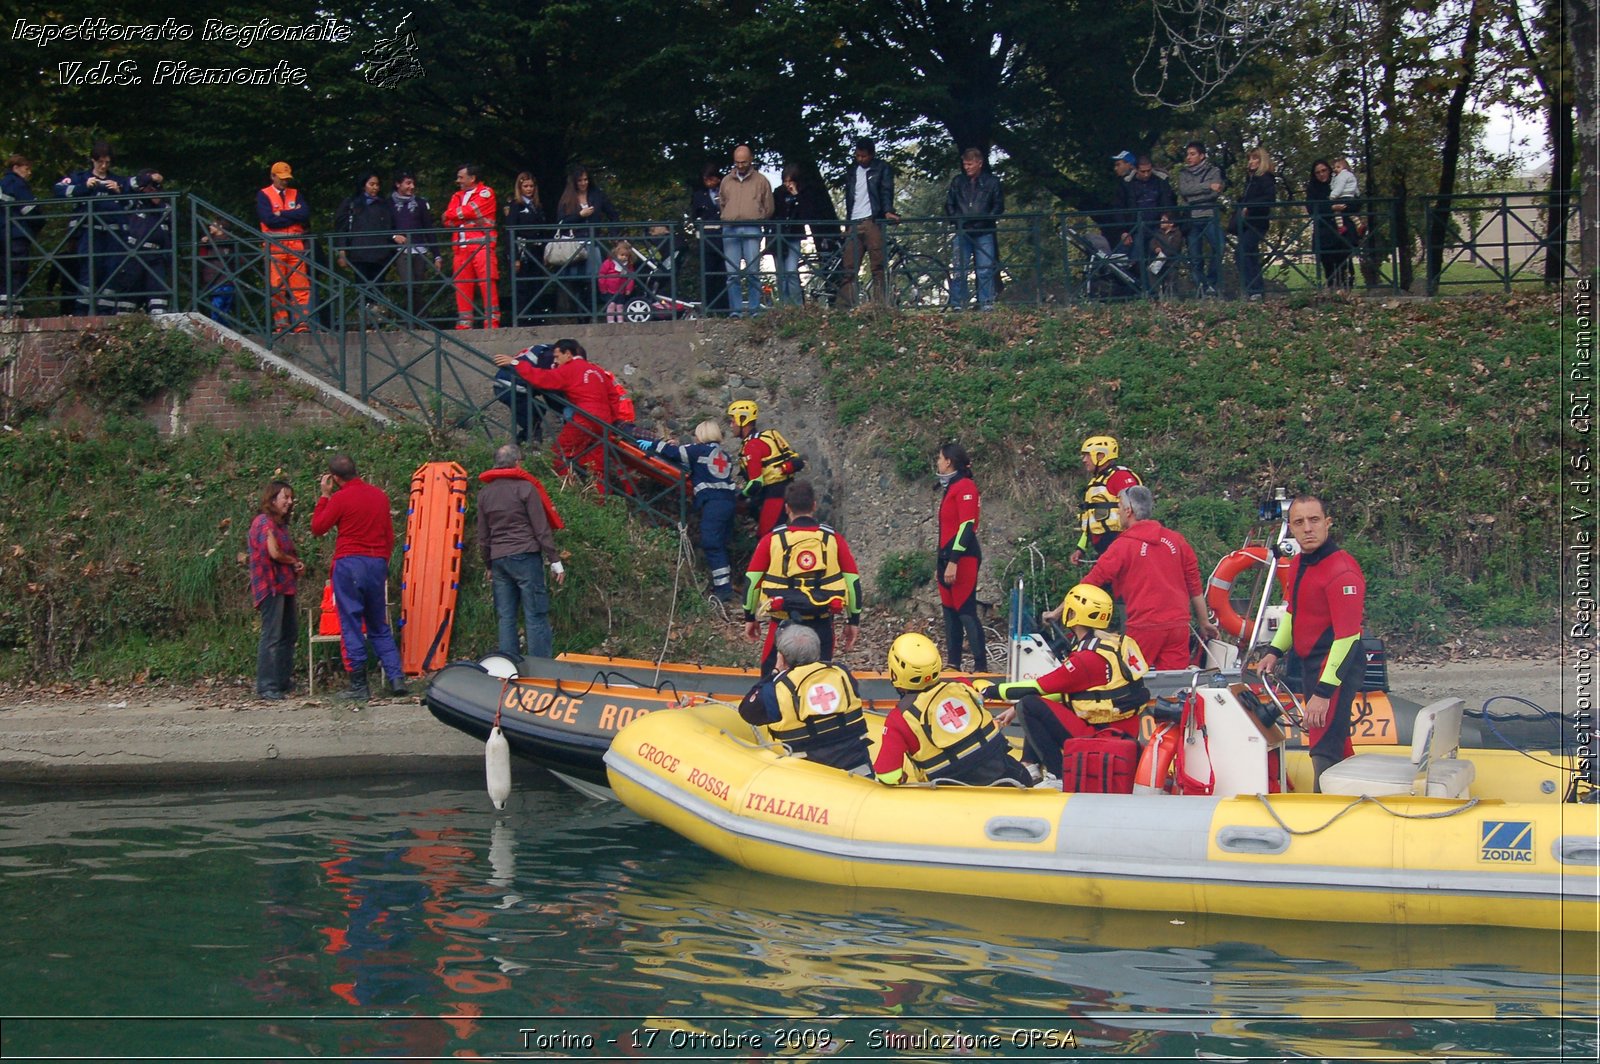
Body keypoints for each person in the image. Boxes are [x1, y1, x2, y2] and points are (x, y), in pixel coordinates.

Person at [1250, 494, 1365, 791]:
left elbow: (1348, 639)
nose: (1308, 528)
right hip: (1311, 664)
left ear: (1327, 523)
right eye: (1299, 522)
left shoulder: (1342, 572)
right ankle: (1353, 791)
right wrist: (1275, 651)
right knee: (1335, 736)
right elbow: (1293, 611)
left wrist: (1324, 692)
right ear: (1291, 528)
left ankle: (1323, 809)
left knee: (1324, 743)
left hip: (1337, 666)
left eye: (1314, 520)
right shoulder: (1300, 562)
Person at [988, 583, 1151, 781]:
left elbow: (1038, 686)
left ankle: (1059, 774)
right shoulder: (1115, 643)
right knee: (1034, 702)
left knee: (1029, 703)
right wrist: (1014, 710)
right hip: (1122, 731)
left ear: (1074, 615)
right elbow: (1075, 691)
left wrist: (988, 690)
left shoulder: (1086, 659)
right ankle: (1029, 764)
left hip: (1103, 735)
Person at [1078, 485, 1220, 669]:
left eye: (1119, 508)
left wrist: (1058, 612)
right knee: (1174, 688)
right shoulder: (1176, 540)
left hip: (1144, 626)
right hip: (1178, 627)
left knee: (1130, 681)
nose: (1118, 513)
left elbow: (1091, 583)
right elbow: (1194, 585)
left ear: (1128, 510)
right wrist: (1203, 621)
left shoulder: (1122, 545)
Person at [309, 454, 408, 702]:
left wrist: (324, 496)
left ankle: (358, 685)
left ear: (333, 478)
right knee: (378, 624)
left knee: (351, 623)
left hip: (349, 563)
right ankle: (396, 679)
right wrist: (382, 563)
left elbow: (318, 527)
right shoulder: (379, 496)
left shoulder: (340, 498)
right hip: (376, 563)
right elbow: (389, 536)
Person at [874, 633, 1030, 786]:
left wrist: (900, 777)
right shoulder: (961, 686)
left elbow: (887, 774)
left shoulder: (899, 719)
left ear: (895, 673)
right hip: (1006, 774)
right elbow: (981, 687)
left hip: (952, 791)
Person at [743, 480, 861, 676]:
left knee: (771, 680)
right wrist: (853, 621)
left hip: (781, 624)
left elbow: (752, 582)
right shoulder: (833, 539)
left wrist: (750, 617)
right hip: (821, 624)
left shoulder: (772, 540)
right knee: (817, 679)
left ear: (787, 507)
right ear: (814, 506)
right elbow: (852, 582)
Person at [492, 339, 626, 491]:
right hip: (604, 421)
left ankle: (569, 491)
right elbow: (614, 397)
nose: (554, 361)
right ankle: (600, 500)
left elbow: (543, 378)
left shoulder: (569, 369)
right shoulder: (597, 371)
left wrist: (516, 364)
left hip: (585, 418)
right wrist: (613, 420)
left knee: (556, 455)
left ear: (568, 354)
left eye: (557, 357)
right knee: (597, 464)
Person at [737, 623, 872, 773]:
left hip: (807, 776)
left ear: (781, 657)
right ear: (817, 651)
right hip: (858, 766)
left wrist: (775, 671)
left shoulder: (776, 690)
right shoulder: (841, 673)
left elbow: (747, 712)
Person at [476, 443, 566, 660]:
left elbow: (483, 536)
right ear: (517, 463)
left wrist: (488, 564)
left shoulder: (485, 494)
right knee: (535, 613)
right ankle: (540, 667)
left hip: (498, 559)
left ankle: (509, 667)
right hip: (525, 555)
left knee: (506, 616)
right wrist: (555, 560)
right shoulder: (525, 488)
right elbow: (541, 528)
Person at [639, 420, 739, 601]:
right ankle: (725, 585)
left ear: (702, 434)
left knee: (711, 542)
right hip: (729, 503)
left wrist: (653, 444)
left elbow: (674, 453)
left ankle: (723, 589)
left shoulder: (698, 450)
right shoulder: (724, 455)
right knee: (721, 542)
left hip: (713, 503)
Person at [56, 142, 131, 316]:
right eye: (100, 162)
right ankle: (82, 312)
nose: (104, 166)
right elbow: (59, 190)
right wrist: (84, 187)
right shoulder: (81, 177)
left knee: (112, 271)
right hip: (89, 233)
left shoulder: (118, 180)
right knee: (89, 271)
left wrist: (120, 192)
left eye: (107, 162)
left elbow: (132, 204)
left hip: (113, 235)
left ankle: (106, 313)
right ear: (93, 160)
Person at [249, 479, 305, 701]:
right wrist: (292, 561)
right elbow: (274, 552)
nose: (289, 502)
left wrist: (295, 564)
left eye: (291, 498)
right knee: (272, 635)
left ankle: (282, 681)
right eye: (285, 497)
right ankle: (267, 685)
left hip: (285, 585)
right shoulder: (264, 522)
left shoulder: (281, 526)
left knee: (289, 633)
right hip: (270, 585)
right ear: (273, 499)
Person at [935, 442, 986, 672]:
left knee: (965, 610)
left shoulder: (965, 486)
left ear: (949, 461)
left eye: (939, 458)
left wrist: (954, 560)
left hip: (963, 557)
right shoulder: (951, 487)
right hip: (945, 555)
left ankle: (981, 667)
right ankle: (953, 663)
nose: (937, 462)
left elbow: (967, 527)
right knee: (949, 612)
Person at [727, 398, 804, 536]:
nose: (731, 425)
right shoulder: (768, 437)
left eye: (732, 421)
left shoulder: (752, 445)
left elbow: (756, 483)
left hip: (774, 494)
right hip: (785, 490)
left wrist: (740, 496)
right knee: (771, 535)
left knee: (767, 537)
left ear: (742, 420)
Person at [838, 138, 899, 307]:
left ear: (871, 155)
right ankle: (845, 307)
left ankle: (879, 305)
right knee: (849, 265)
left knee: (877, 266)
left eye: (863, 156)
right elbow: (849, 198)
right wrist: (848, 223)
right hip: (854, 222)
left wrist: (887, 211)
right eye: (857, 156)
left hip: (872, 221)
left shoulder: (882, 168)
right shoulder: (851, 171)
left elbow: (886, 191)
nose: (860, 159)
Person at [553, 165, 619, 319]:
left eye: (586, 179)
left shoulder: (597, 195)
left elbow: (613, 214)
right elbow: (561, 221)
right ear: (574, 182)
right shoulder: (567, 197)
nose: (584, 183)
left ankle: (590, 314)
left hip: (593, 242)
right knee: (575, 280)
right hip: (573, 243)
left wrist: (613, 234)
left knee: (594, 278)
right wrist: (580, 215)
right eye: (580, 180)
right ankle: (578, 315)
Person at [944, 148, 1004, 311]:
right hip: (963, 231)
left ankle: (986, 303)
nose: (967, 167)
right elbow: (949, 204)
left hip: (984, 231)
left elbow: (998, 206)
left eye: (970, 164)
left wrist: (984, 221)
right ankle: (958, 304)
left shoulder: (992, 182)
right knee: (959, 269)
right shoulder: (958, 181)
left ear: (979, 163)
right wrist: (958, 221)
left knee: (985, 269)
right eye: (965, 164)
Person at [335, 172, 406, 309]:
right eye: (371, 184)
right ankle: (364, 318)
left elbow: (390, 226)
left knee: (378, 288)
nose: (375, 188)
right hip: (359, 253)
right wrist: (342, 251)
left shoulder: (383, 205)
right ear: (363, 186)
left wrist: (393, 240)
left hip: (380, 254)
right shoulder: (351, 203)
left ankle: (376, 319)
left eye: (377, 185)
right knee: (362, 287)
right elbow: (341, 228)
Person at [442, 163, 499, 329]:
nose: (457, 180)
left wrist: (459, 216)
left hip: (482, 245)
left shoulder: (486, 192)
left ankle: (492, 322)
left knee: (486, 282)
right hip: (460, 247)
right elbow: (447, 220)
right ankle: (464, 324)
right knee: (462, 285)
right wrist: (468, 218)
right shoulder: (456, 196)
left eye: (461, 177)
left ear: (472, 178)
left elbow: (463, 212)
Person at [256, 160, 312, 332]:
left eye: (286, 178)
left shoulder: (295, 193)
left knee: (300, 285)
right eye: (281, 178)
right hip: (275, 247)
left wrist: (283, 213)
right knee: (276, 287)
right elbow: (269, 220)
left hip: (295, 246)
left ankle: (301, 322)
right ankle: (281, 324)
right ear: (272, 176)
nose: (284, 181)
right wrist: (293, 215)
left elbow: (305, 214)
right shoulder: (263, 195)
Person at [718, 145, 773, 318]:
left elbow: (769, 206)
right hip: (730, 228)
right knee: (732, 273)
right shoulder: (726, 180)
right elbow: (722, 202)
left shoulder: (761, 180)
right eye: (737, 162)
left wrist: (758, 217)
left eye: (743, 162)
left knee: (753, 271)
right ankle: (735, 311)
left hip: (752, 226)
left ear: (751, 160)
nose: (740, 166)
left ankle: (754, 309)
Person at [1071, 434, 1142, 565]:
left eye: (1087, 455)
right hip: (1106, 551)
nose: (1084, 460)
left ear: (1100, 456)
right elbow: (1091, 522)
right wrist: (1080, 548)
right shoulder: (1097, 481)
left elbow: (1135, 513)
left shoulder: (1119, 477)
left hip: (1119, 548)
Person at [771, 164, 836, 305]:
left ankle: (796, 306)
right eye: (785, 181)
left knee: (791, 271)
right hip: (779, 237)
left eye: (791, 181)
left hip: (794, 235)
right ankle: (784, 305)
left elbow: (807, 214)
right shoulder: (778, 193)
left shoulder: (804, 194)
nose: (788, 185)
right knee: (780, 274)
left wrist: (797, 196)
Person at [110, 169, 173, 315]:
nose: (155, 192)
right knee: (129, 292)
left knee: (158, 293)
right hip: (134, 254)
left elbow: (170, 233)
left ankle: (161, 329)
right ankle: (124, 326)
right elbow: (126, 192)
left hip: (156, 255)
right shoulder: (134, 203)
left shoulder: (166, 208)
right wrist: (148, 178)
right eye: (150, 188)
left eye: (157, 189)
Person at [1116, 155, 1175, 291]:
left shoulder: (1161, 181)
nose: (1146, 174)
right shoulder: (1126, 184)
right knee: (1136, 258)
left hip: (1157, 225)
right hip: (1136, 227)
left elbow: (1169, 200)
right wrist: (1124, 230)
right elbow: (1120, 208)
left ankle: (1160, 290)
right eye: (1143, 171)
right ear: (1136, 170)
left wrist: (1167, 216)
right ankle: (1139, 289)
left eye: (1148, 170)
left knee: (1162, 257)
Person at [389, 169, 443, 318]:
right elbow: (384, 227)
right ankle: (412, 320)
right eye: (408, 183)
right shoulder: (388, 204)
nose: (412, 186)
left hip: (420, 250)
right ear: (398, 184)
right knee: (408, 286)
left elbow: (428, 229)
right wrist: (394, 236)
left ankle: (418, 320)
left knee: (418, 286)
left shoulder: (420, 203)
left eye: (413, 183)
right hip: (401, 250)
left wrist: (437, 255)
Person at [1176, 140, 1225, 297]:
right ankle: (1201, 287)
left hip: (1210, 215)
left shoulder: (1214, 171)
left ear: (1202, 155)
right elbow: (1184, 190)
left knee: (1220, 247)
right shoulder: (1184, 173)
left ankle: (1211, 283)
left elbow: (1215, 192)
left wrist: (1197, 194)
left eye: (1192, 154)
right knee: (1195, 256)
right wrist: (1207, 186)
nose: (1188, 157)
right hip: (1192, 218)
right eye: (1187, 154)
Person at [2, 154, 44, 313]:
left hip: (2, 233)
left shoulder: (2, 184)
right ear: (16, 168)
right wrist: (40, 223)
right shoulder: (17, 184)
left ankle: (4, 308)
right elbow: (32, 211)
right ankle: (15, 308)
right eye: (27, 168)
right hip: (16, 234)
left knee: (4, 271)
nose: (29, 173)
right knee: (17, 270)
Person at [505, 171, 548, 326]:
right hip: (522, 249)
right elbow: (511, 231)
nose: (529, 189)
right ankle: (522, 318)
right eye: (525, 186)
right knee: (522, 285)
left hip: (536, 250)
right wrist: (514, 257)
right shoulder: (516, 205)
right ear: (520, 187)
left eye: (531, 186)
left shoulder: (537, 205)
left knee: (537, 283)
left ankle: (537, 316)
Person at [1234, 146, 1277, 301]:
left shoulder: (1265, 178)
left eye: (1255, 158)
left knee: (1242, 252)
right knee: (1248, 254)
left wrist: (1249, 207)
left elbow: (1269, 199)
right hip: (1248, 222)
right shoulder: (1251, 179)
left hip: (1257, 222)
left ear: (1262, 160)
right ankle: (1254, 290)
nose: (1251, 162)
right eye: (1250, 158)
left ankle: (1254, 290)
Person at [689, 161, 727, 315]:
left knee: (724, 275)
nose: (709, 183)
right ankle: (709, 309)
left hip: (725, 238)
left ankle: (725, 309)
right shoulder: (699, 195)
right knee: (708, 275)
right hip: (708, 239)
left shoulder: (726, 191)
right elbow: (694, 216)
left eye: (712, 179)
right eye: (706, 179)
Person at [1305, 159, 1344, 289]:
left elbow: (1352, 201)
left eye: (1324, 170)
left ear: (1329, 170)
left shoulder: (1339, 182)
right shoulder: (1312, 188)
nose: (1321, 174)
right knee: (1327, 264)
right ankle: (1332, 291)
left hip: (1342, 229)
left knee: (1343, 263)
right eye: (1318, 172)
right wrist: (1331, 208)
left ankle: (1345, 291)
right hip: (1323, 231)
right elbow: (1311, 208)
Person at [1328, 156, 1360, 289]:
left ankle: (1341, 227)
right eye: (1334, 168)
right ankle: (1359, 224)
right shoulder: (1350, 176)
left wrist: (1332, 197)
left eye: (1338, 167)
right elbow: (1356, 189)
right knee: (1350, 214)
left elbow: (1339, 187)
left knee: (1338, 213)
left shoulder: (1342, 176)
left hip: (1342, 198)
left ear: (1344, 167)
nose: (1335, 170)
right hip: (1350, 197)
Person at [598, 239, 638, 323]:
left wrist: (628, 289)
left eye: (626, 256)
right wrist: (603, 287)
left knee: (620, 306)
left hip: (621, 289)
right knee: (611, 305)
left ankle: (620, 320)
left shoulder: (628, 265)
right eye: (622, 255)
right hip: (609, 289)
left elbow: (631, 278)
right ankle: (610, 320)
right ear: (616, 254)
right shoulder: (609, 262)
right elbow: (602, 275)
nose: (624, 257)